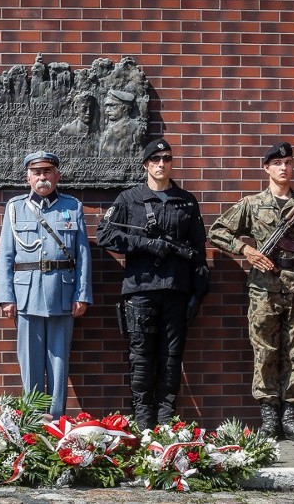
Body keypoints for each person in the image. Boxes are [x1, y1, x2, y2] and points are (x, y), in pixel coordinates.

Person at [208, 142, 294, 443]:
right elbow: (217, 231)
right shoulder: (251, 204)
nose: (283, 168)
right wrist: (246, 250)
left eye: (288, 162)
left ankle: (290, 417)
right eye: (277, 163)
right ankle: (269, 417)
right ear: (266, 168)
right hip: (263, 289)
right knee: (265, 352)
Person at [96, 138, 209, 430]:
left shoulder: (186, 201)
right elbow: (105, 235)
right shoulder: (128, 199)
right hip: (141, 290)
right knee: (141, 357)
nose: (162, 164)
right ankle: (143, 422)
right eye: (156, 160)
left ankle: (166, 421)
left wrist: (199, 291)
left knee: (171, 358)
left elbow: (198, 249)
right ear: (146, 164)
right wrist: (145, 245)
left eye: (167, 159)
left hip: (176, 290)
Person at [0, 151, 93, 418]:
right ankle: (34, 419)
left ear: (57, 175)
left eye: (48, 171)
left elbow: (83, 254)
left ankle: (57, 418)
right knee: (30, 361)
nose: (42, 177)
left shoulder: (72, 207)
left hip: (63, 293)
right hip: (26, 294)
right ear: (28, 177)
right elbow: (6, 254)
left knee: (59, 362)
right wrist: (6, 296)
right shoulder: (15, 208)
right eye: (37, 172)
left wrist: (82, 293)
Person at [98, 89, 143, 157]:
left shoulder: (135, 128)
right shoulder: (109, 129)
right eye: (107, 106)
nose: (107, 111)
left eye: (112, 106)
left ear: (124, 108)